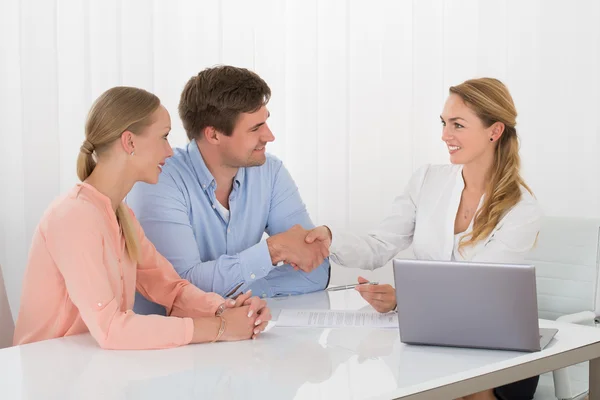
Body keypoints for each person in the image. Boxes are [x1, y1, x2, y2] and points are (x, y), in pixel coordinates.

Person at [306, 77, 542, 400]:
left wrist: (404, 299)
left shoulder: (520, 208)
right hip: (430, 342)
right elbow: (380, 245)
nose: (445, 135)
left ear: (494, 131)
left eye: (457, 125)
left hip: (495, 350)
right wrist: (328, 240)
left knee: (460, 387)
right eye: (444, 123)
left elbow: (478, 296)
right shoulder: (428, 180)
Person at [13, 86, 271, 350]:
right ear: (130, 142)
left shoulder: (121, 215)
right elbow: (112, 329)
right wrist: (221, 328)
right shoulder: (74, 217)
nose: (170, 151)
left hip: (91, 371)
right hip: (49, 376)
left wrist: (226, 309)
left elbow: (171, 288)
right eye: (164, 137)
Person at [127, 65, 330, 316]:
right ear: (213, 135)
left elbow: (316, 269)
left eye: (265, 122)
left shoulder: (270, 172)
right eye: (255, 128)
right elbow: (178, 289)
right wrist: (272, 251)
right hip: (167, 346)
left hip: (239, 337)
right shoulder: (158, 179)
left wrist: (234, 295)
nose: (269, 136)